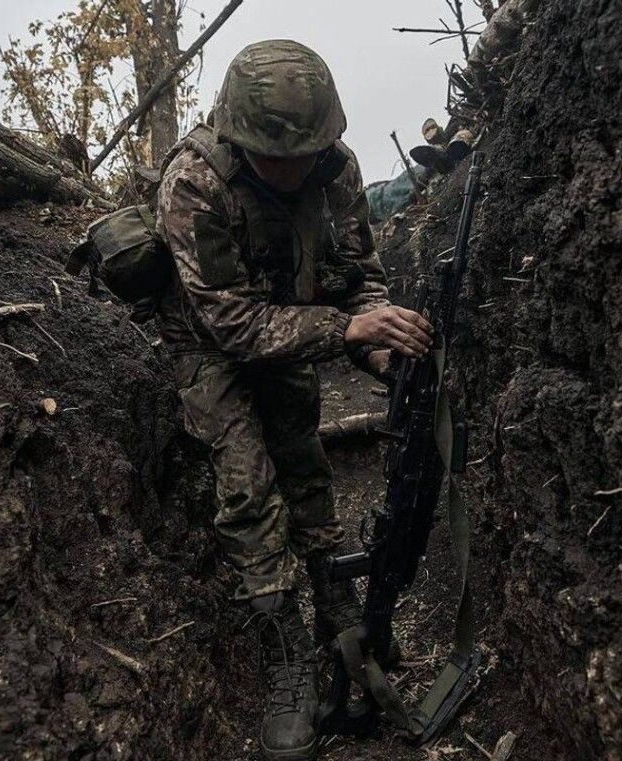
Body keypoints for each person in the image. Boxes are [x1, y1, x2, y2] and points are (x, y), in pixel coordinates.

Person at [155, 39, 432, 760]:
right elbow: (234, 325)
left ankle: (336, 612)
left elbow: (357, 275)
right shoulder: (193, 181)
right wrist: (346, 329)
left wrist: (378, 345)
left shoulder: (333, 168)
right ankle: (284, 656)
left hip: (293, 326)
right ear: (240, 142)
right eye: (283, 156)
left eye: (311, 150)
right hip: (211, 343)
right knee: (249, 488)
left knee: (306, 465)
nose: (300, 168)